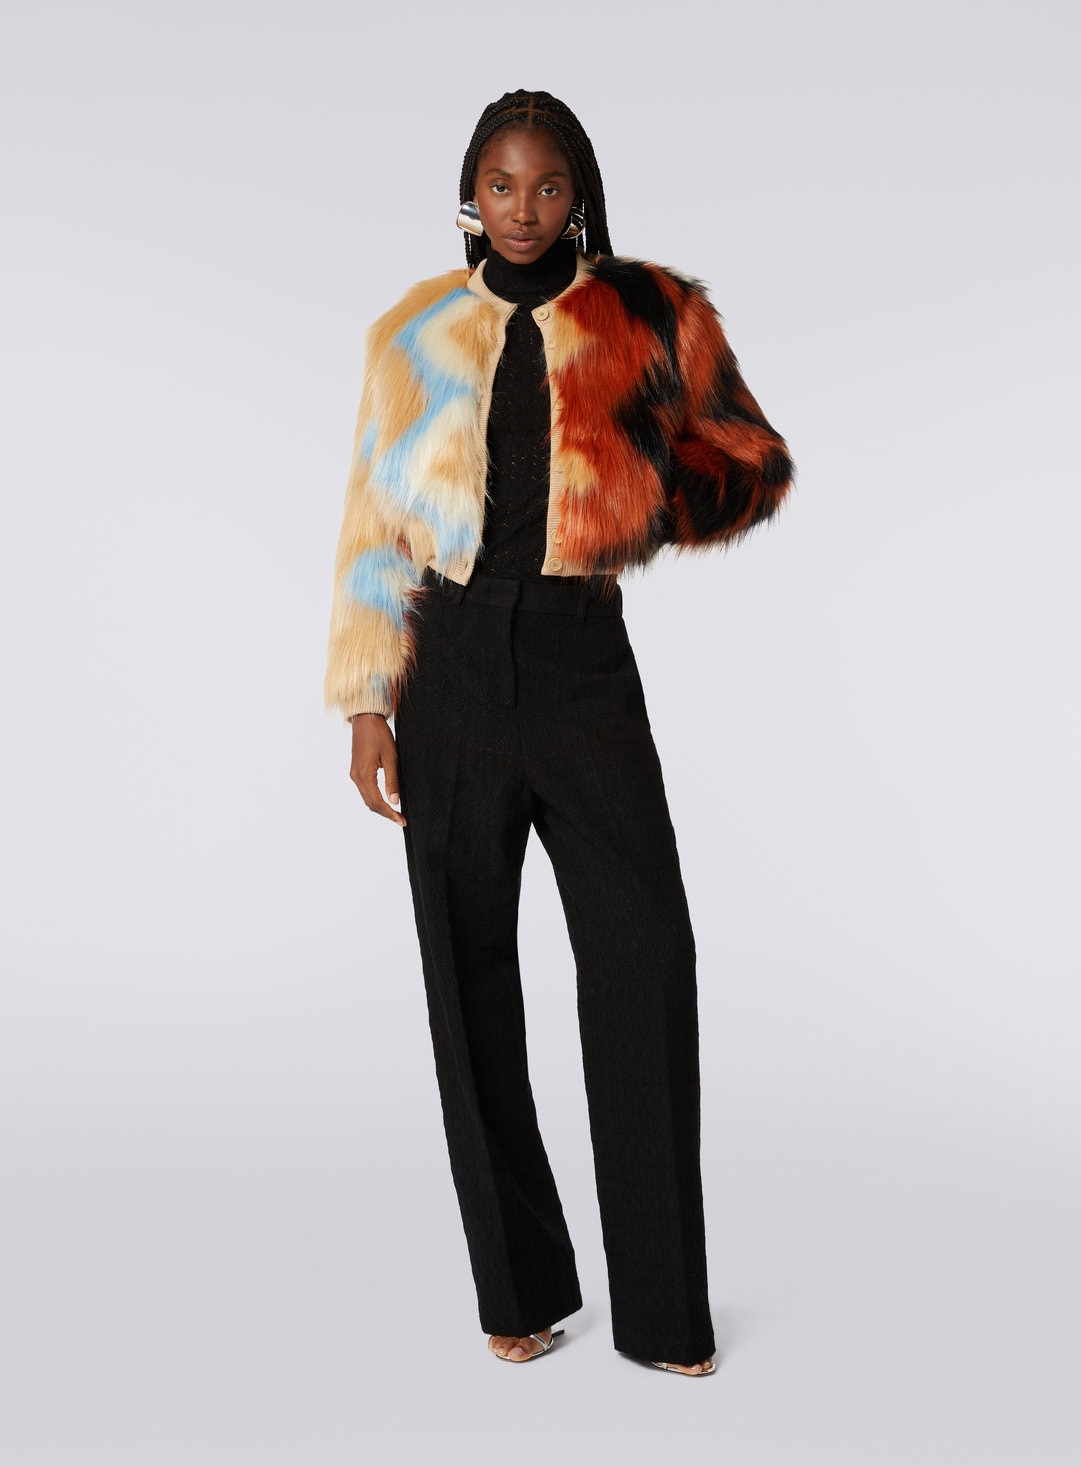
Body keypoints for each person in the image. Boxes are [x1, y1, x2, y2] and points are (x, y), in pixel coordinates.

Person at [324, 90, 794, 1376]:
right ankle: (518, 1290)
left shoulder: (649, 313)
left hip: (584, 663)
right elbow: (370, 521)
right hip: (448, 664)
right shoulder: (411, 334)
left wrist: (640, 486)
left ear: (577, 192)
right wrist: (366, 698)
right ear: (468, 194)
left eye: (544, 185)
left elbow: (748, 462)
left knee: (642, 958)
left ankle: (663, 1314)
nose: (521, 209)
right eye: (499, 184)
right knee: (465, 970)